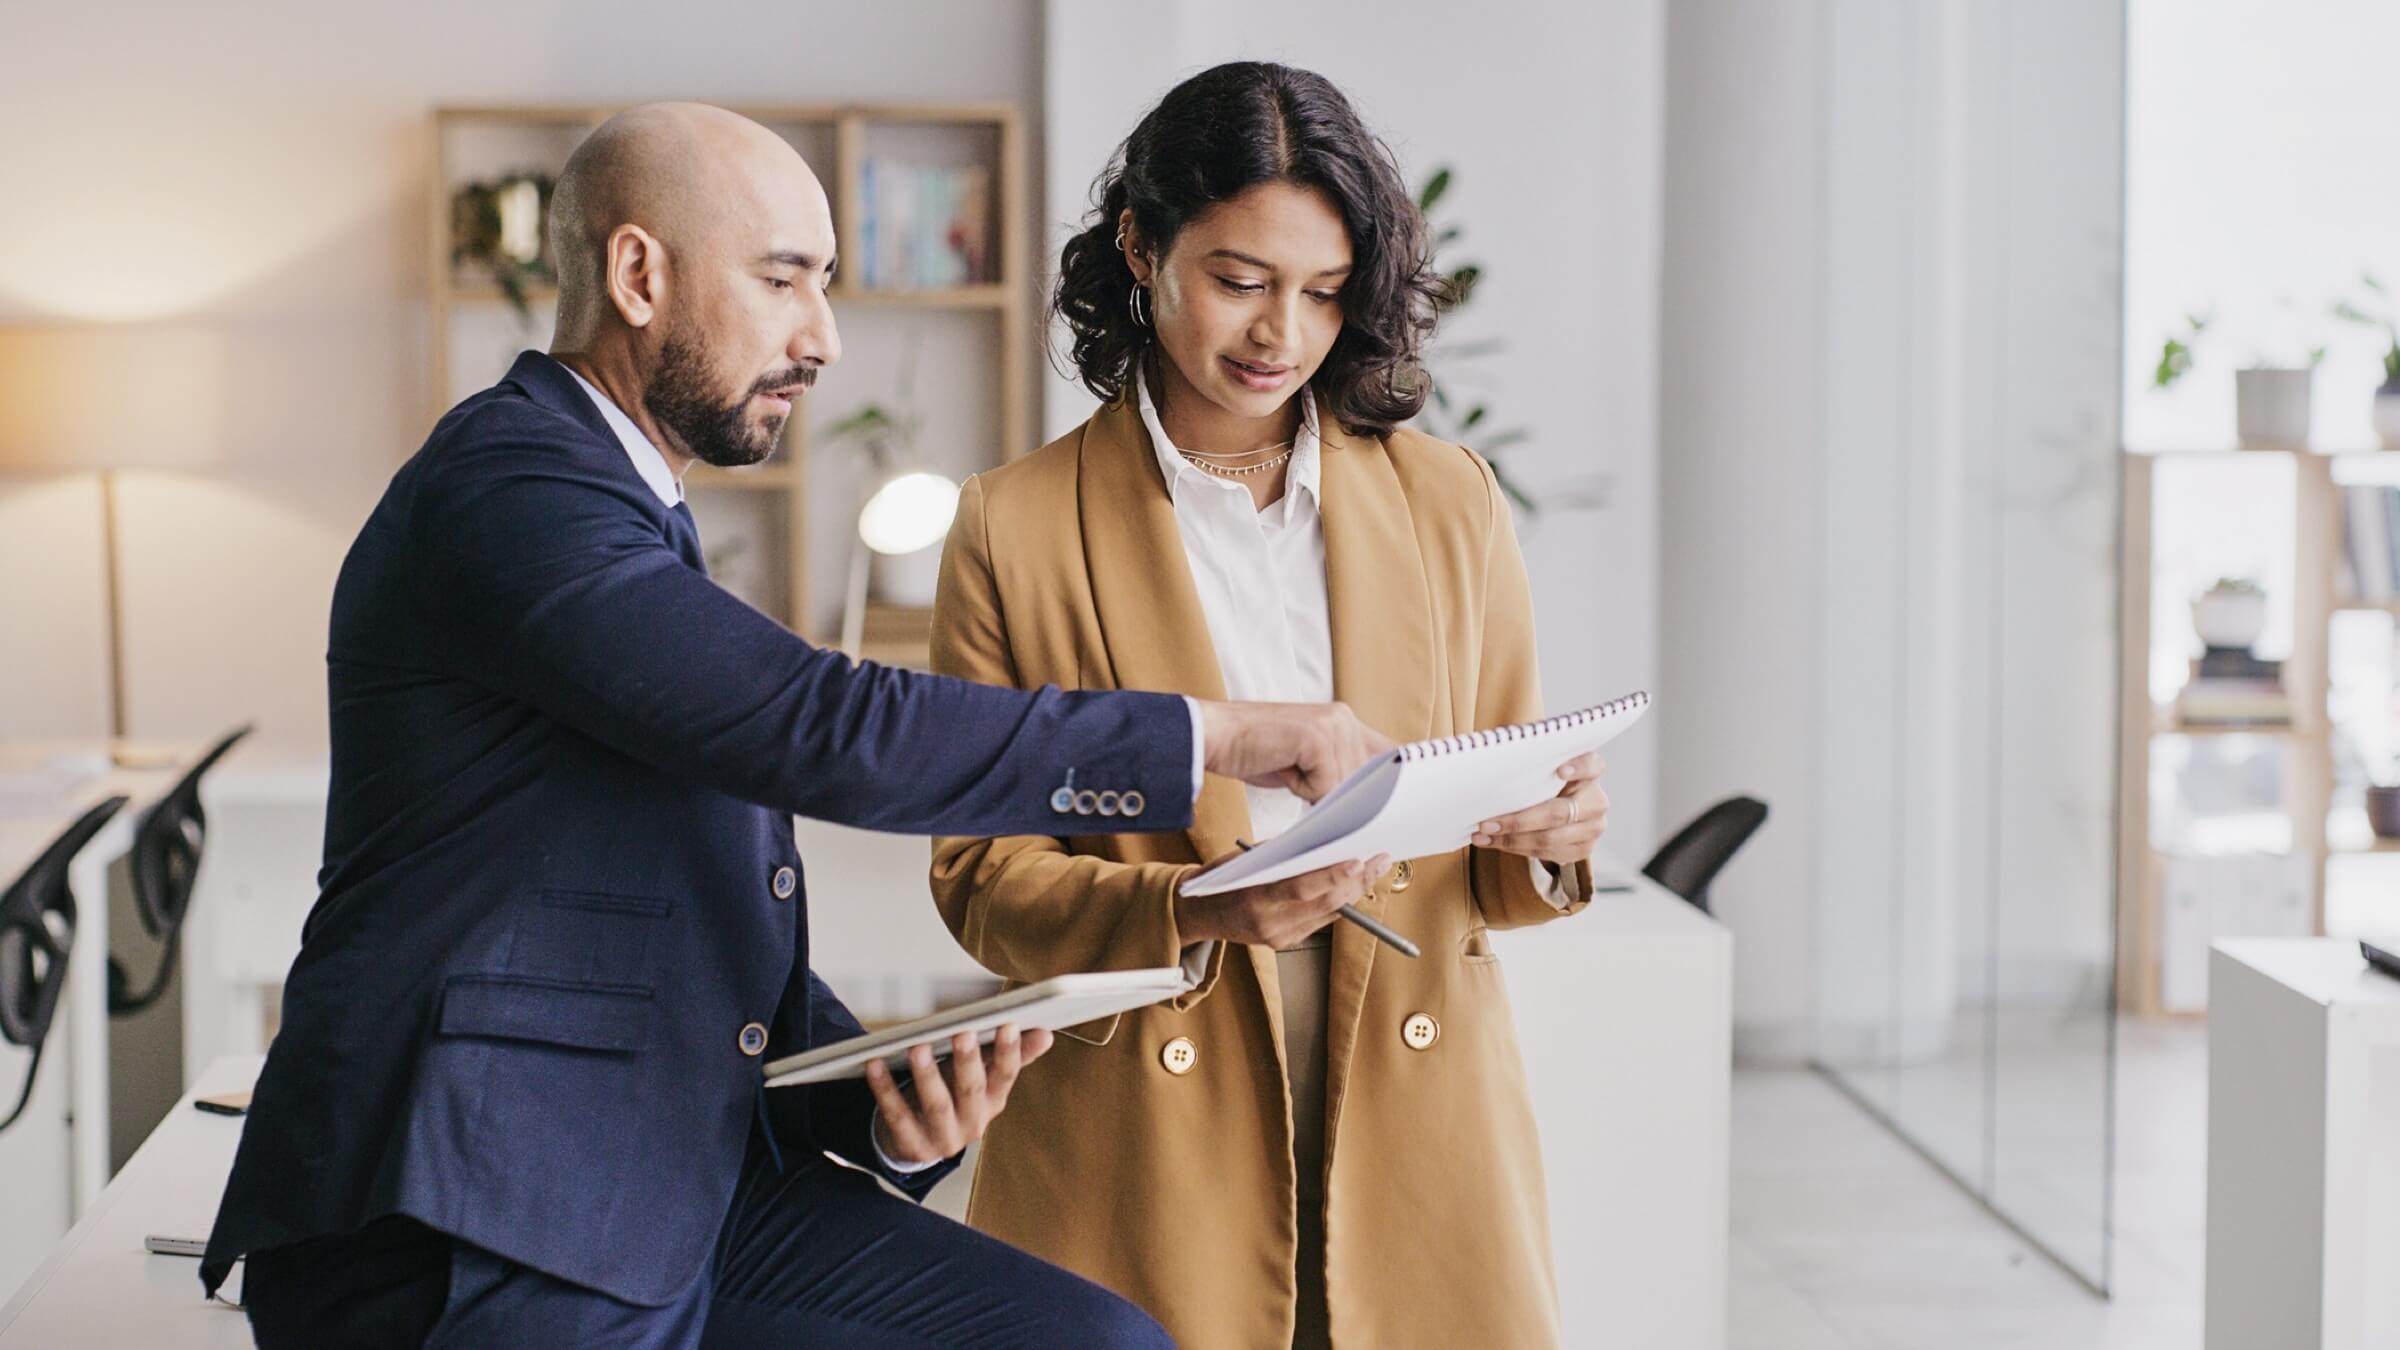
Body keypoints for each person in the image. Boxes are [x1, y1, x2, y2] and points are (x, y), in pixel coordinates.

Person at [200, 101, 1386, 1349]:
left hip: (665, 1179)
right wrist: (1213, 738)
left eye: (824, 286)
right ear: (639, 276)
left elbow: (672, 907)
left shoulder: (628, 510)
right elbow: (820, 725)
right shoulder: (508, 486)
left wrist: (878, 1102)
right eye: (782, 281)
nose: (821, 338)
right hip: (467, 1204)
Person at [927, 63, 1611, 1350]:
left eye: (1324, 292)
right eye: (1240, 280)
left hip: (1415, 1104)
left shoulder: (1449, 501)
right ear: (1141, 246)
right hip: (1145, 1124)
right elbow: (981, 881)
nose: (1280, 335)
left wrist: (1554, 838)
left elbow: (1501, 858)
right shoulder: (1015, 527)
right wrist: (1193, 905)